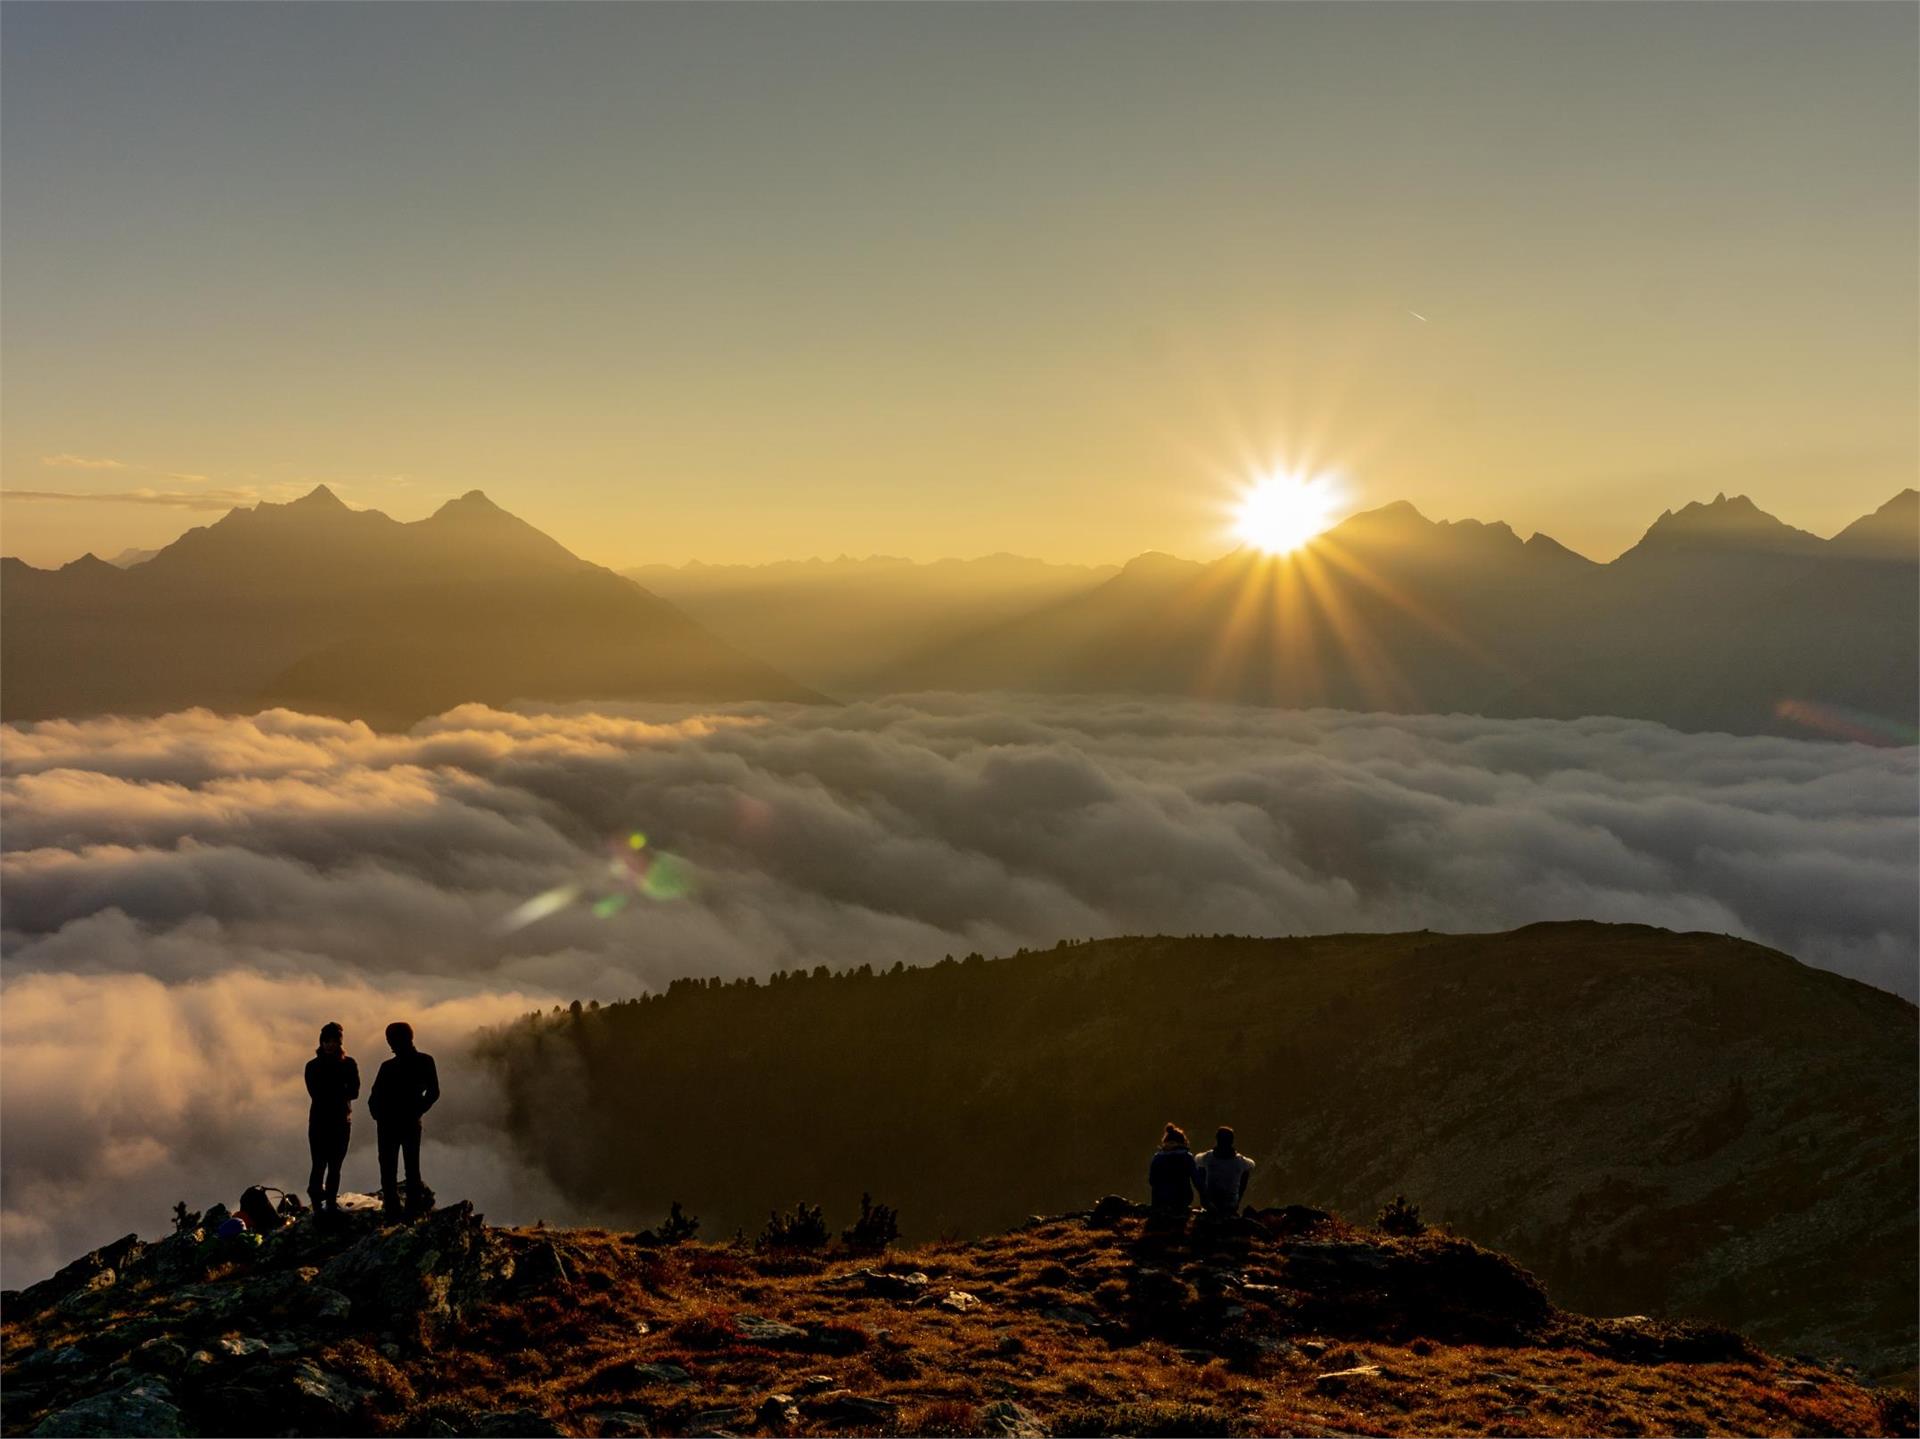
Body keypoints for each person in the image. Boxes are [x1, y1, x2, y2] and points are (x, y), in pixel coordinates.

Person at [367, 1021, 440, 1219]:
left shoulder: (389, 1067)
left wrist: (380, 1116)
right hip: (406, 1122)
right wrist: (417, 1110)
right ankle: (410, 1211)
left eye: (391, 1039)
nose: (390, 1044)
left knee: (389, 1169)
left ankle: (394, 1211)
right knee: (410, 1168)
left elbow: (374, 1098)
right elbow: (433, 1092)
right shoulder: (425, 1061)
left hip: (390, 1124)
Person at [304, 1022, 359, 1215]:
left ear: (339, 1042)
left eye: (332, 1041)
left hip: (338, 1121)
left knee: (335, 1164)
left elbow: (355, 1091)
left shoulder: (347, 1064)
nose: (328, 1045)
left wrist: (333, 1092)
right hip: (324, 1121)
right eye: (325, 1041)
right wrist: (339, 1091)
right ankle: (318, 1203)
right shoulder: (313, 1066)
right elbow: (316, 1093)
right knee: (319, 1163)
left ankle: (328, 1202)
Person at [1194, 1125, 1255, 1216]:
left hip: (1211, 1204)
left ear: (1217, 1140)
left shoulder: (1207, 1158)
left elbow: (1196, 1158)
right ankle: (1236, 1201)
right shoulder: (1240, 1161)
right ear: (1232, 1141)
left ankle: (1204, 1200)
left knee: (1201, 1168)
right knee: (1245, 1172)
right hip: (1231, 1204)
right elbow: (1252, 1164)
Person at [1148, 1123, 1199, 1213]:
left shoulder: (1157, 1157)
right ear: (1183, 1142)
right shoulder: (1186, 1156)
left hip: (1160, 1200)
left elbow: (1152, 1181)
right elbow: (1196, 1180)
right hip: (1182, 1199)